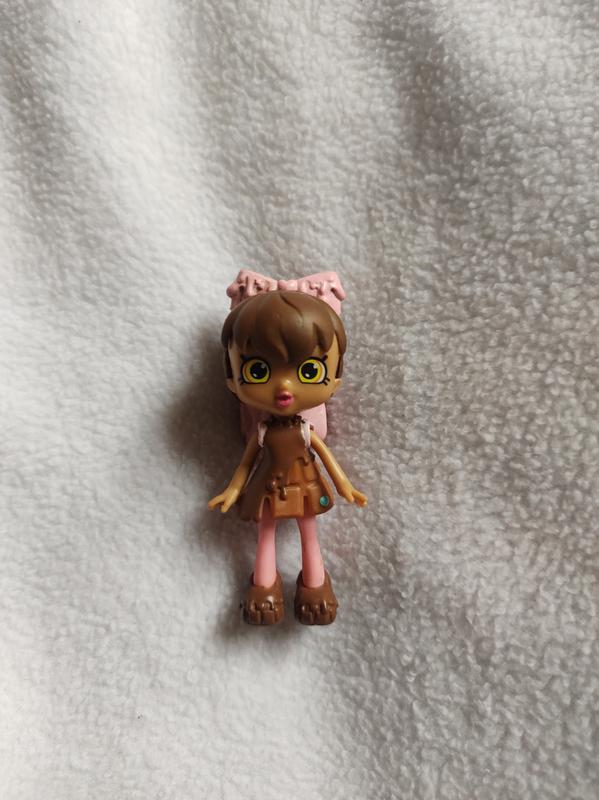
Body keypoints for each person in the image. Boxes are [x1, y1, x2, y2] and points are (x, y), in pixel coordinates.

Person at [208, 282, 367, 626]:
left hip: (304, 486)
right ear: (232, 380)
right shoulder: (263, 431)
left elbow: (326, 458)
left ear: (335, 379)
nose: (283, 387)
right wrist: (232, 490)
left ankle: (315, 587)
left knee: (309, 532)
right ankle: (264, 588)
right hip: (268, 487)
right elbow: (246, 463)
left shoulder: (305, 431)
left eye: (310, 372)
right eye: (258, 371)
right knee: (266, 533)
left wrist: (345, 486)